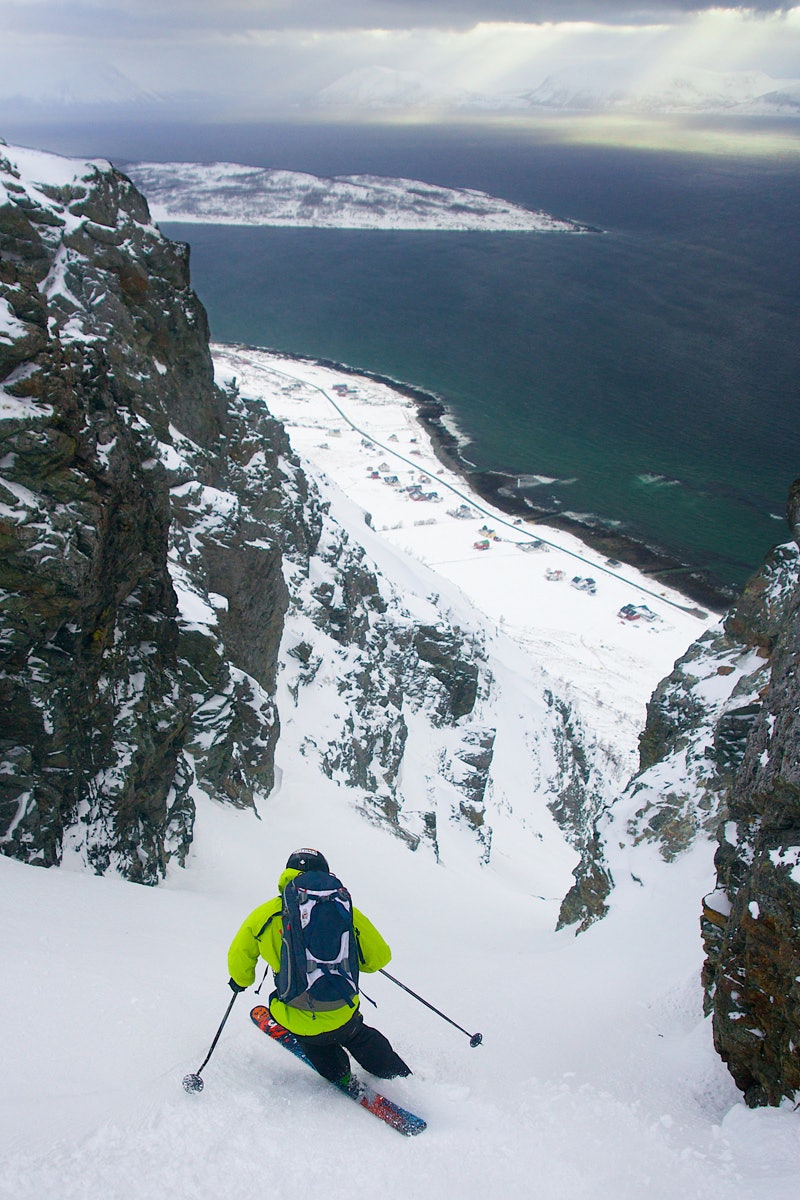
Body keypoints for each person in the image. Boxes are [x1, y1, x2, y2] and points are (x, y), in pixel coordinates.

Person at [227, 847, 412, 1086]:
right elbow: (378, 959)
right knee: (357, 1034)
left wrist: (239, 982)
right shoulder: (345, 911)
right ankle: (400, 1078)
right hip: (342, 1007)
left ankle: (340, 1074)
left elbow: (239, 957)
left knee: (312, 1039)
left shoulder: (264, 916)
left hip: (295, 1011)